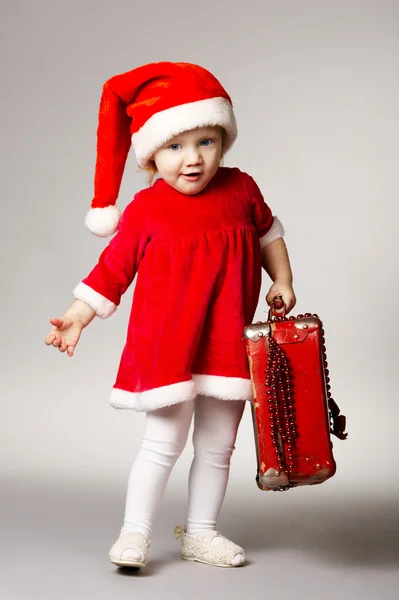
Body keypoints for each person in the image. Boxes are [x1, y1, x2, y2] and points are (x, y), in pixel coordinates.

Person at [44, 61, 296, 569]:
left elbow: (270, 234)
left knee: (218, 446)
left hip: (227, 340)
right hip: (169, 346)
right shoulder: (146, 209)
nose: (193, 159)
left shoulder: (241, 189)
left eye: (207, 142)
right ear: (150, 155)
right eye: (175, 147)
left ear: (223, 143)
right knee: (162, 443)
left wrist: (283, 280)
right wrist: (77, 315)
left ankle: (201, 532)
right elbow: (110, 271)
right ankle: (135, 534)